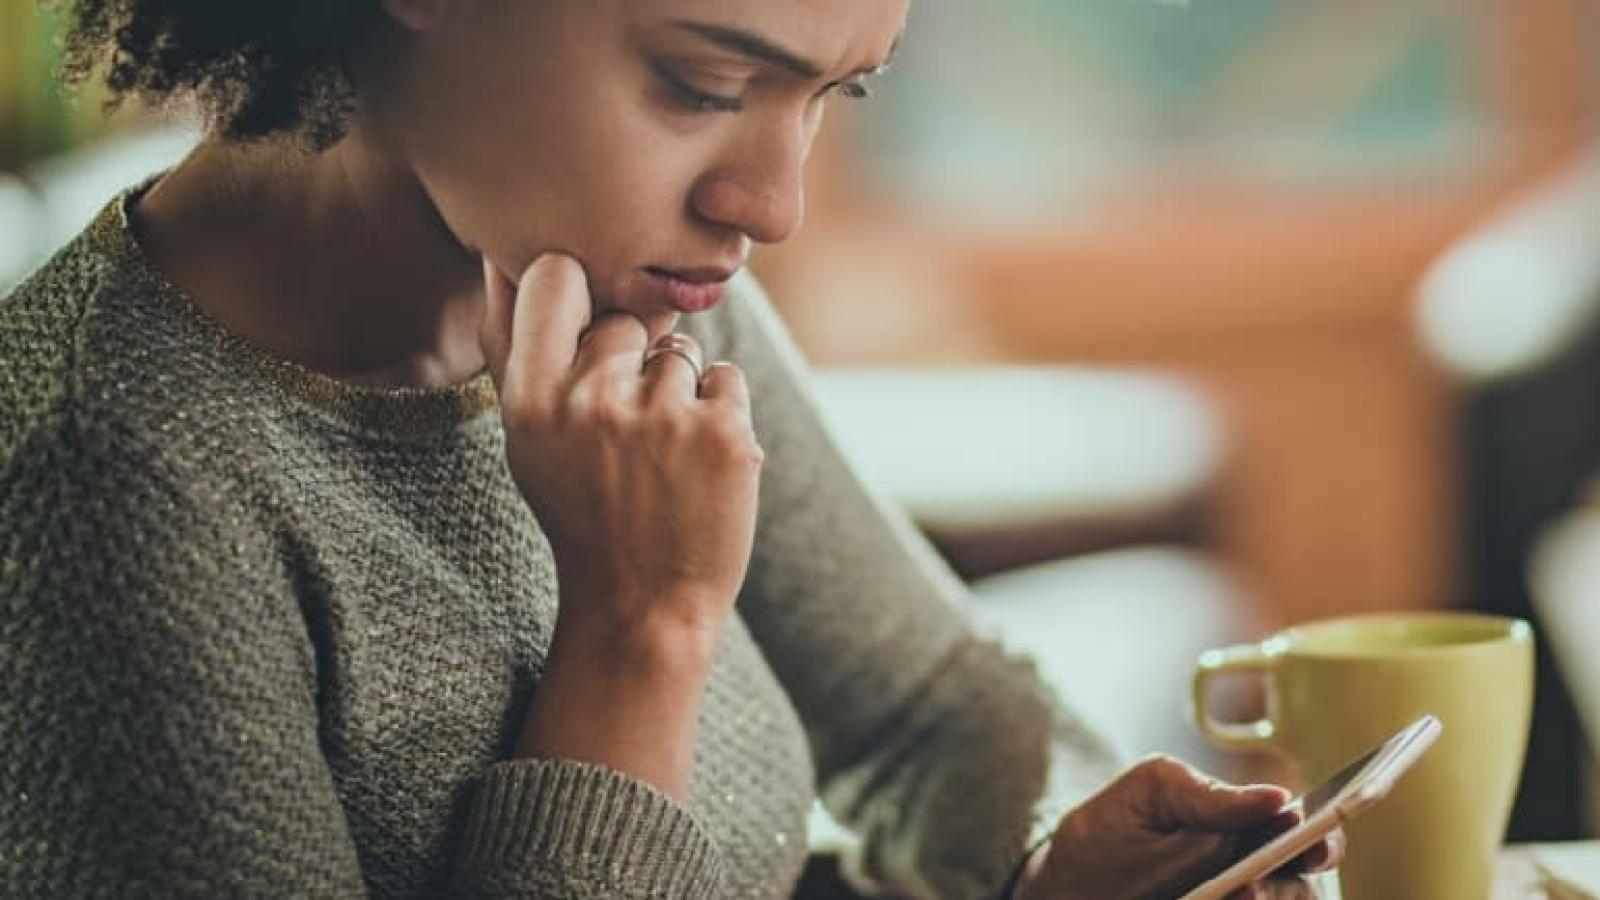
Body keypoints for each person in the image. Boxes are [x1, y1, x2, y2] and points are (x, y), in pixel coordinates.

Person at [0, 0, 1340, 897]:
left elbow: (927, 707)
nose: (774, 204)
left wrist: (1057, 850)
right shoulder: (100, 486)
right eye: (703, 86)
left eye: (834, 94)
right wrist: (636, 631)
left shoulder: (624, 277)